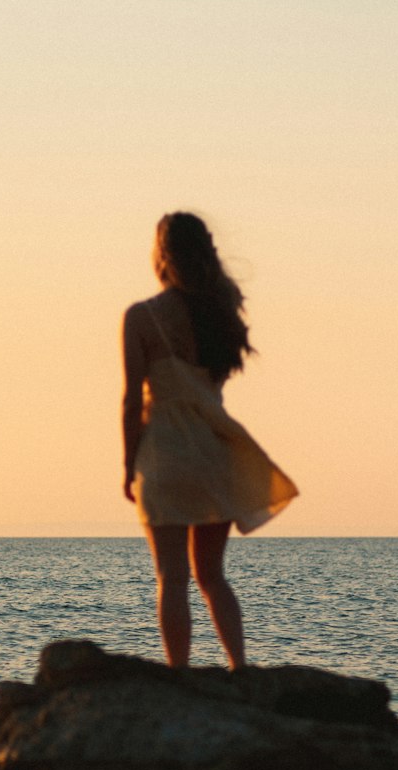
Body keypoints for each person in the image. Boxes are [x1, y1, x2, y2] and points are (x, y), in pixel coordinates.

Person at [122, 212, 297, 669]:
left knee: (172, 577)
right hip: (215, 448)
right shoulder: (220, 317)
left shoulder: (141, 317)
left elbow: (130, 400)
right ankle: (239, 667)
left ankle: (178, 673)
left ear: (161, 256)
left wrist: (127, 464)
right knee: (212, 576)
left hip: (164, 450)